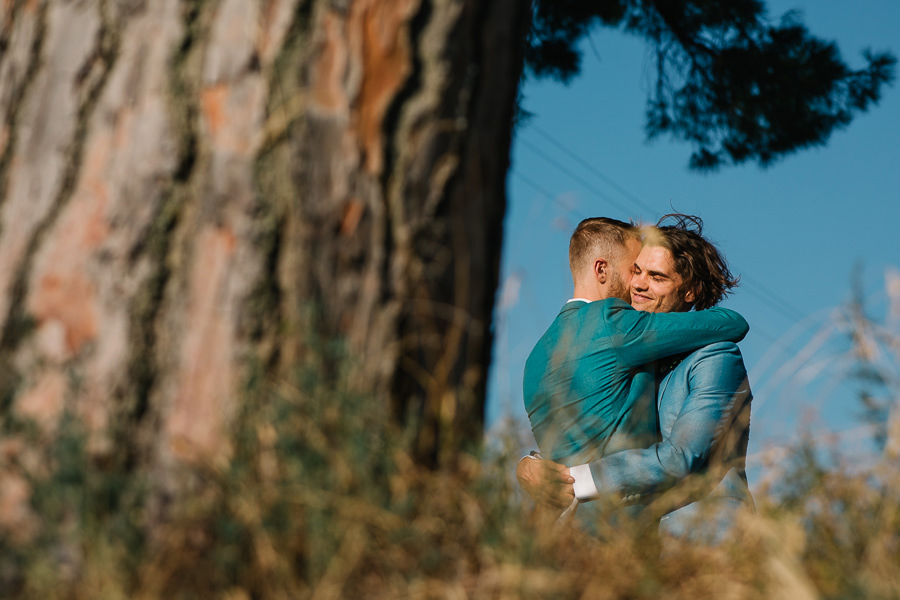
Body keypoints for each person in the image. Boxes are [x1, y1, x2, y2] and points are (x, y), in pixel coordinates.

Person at [520, 214, 754, 542]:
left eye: (656, 276)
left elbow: (683, 457)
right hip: (640, 544)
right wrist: (531, 466)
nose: (638, 284)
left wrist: (574, 480)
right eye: (636, 271)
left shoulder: (714, 356)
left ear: (690, 291)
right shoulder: (633, 351)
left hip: (707, 533)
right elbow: (593, 430)